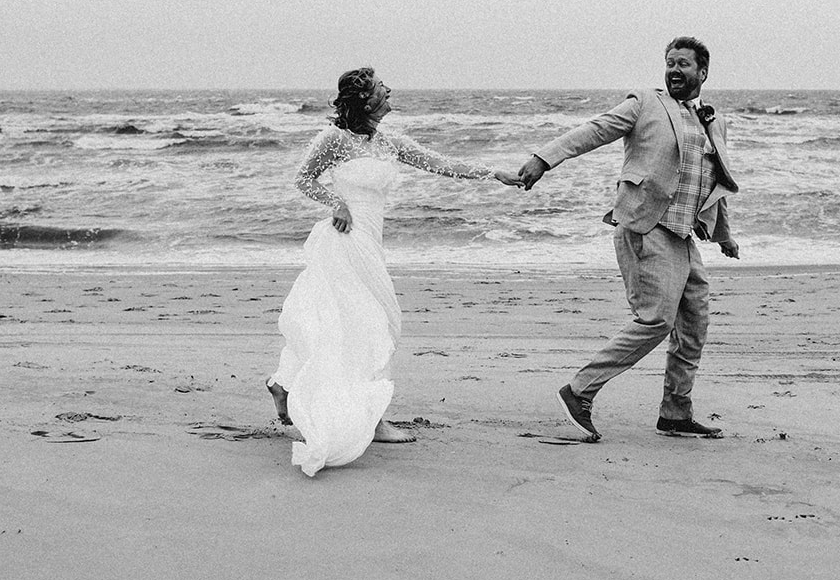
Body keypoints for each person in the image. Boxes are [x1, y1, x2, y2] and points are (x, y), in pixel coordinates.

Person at [269, 67, 521, 476]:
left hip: (372, 242)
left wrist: (495, 173)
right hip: (346, 237)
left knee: (351, 323)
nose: (389, 91)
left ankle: (284, 384)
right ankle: (376, 420)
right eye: (381, 87)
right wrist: (336, 203)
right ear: (365, 99)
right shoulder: (333, 139)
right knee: (373, 323)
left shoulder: (388, 142)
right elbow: (304, 179)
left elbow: (439, 163)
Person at [517, 36, 739, 442]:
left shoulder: (713, 121)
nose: (674, 69)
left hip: (683, 236)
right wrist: (544, 159)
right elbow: (594, 130)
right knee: (655, 320)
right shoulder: (645, 103)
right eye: (670, 62)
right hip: (645, 225)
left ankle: (676, 412)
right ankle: (579, 391)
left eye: (683, 64)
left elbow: (716, 179)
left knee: (694, 323)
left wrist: (724, 235)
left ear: (702, 72)